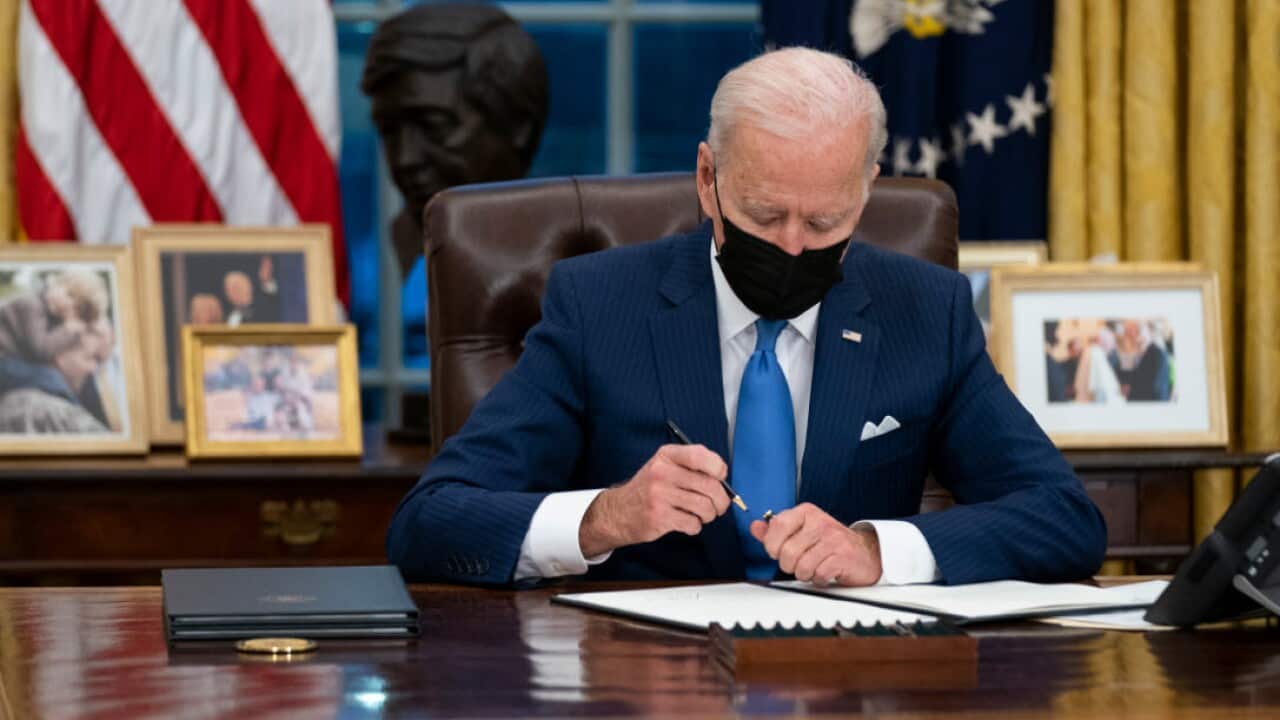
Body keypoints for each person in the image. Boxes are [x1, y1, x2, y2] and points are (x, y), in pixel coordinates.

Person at [387, 48, 1106, 587]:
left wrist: (877, 550)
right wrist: (604, 516)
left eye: (824, 220)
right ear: (708, 179)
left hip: (855, 683)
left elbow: (1064, 519)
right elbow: (429, 522)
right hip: (647, 682)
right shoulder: (599, 307)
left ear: (866, 195)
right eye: (764, 215)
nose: (792, 246)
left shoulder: (926, 312)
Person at [361, 2, 549, 276]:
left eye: (434, 126)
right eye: (390, 132)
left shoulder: (566, 250)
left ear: (519, 125)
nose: (404, 159)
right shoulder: (406, 237)